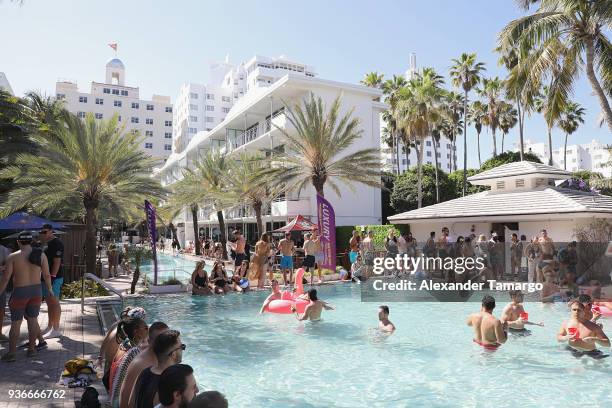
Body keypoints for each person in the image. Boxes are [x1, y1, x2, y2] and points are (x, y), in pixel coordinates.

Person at [0, 232, 54, 362]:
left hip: (20, 292)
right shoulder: (41, 255)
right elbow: (47, 275)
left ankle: (12, 354)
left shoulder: (13, 257)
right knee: (33, 320)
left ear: (18, 242)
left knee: (16, 323)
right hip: (36, 291)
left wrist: (0, 291)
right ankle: (32, 350)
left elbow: (6, 278)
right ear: (31, 241)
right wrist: (50, 290)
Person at [119, 322, 169, 408]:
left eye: (167, 339)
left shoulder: (159, 357)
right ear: (150, 342)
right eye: (160, 340)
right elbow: (125, 396)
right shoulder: (141, 364)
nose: (164, 343)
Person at [132, 330, 185, 408]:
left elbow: (131, 403)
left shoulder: (144, 373)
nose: (183, 350)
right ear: (173, 354)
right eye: (182, 347)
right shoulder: (170, 383)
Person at [109, 317, 149, 408]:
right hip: (118, 402)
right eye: (146, 328)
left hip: (112, 396)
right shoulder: (134, 352)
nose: (148, 330)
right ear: (136, 332)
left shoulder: (124, 344)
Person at [39, 224, 64, 339]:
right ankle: (50, 326)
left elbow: (57, 262)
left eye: (44, 232)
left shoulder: (57, 243)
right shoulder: (45, 244)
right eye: (41, 232)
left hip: (54, 277)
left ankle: (56, 329)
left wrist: (52, 276)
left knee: (54, 302)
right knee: (49, 303)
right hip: (45, 277)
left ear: (51, 231)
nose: (42, 234)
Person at [0, 242, 11, 342]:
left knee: (1, 308)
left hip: (0, 282)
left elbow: (9, 263)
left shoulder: (3, 249)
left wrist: (2, 267)